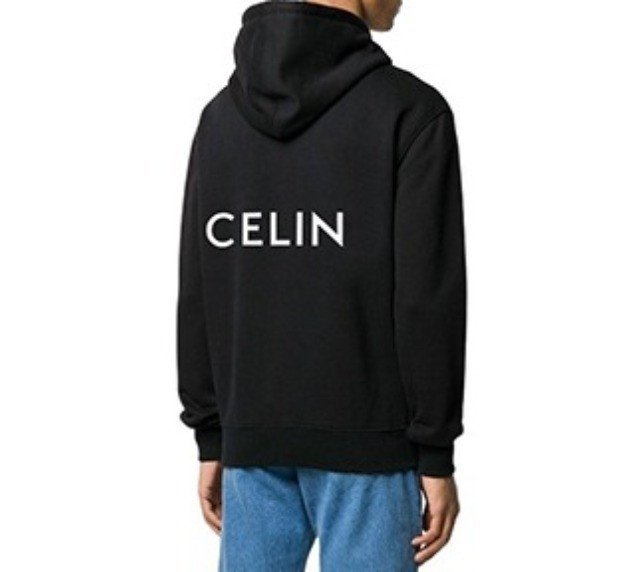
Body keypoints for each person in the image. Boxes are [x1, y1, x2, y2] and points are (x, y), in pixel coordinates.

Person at [176, 0, 467, 569]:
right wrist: (435, 450)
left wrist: (212, 433)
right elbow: (427, 300)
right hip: (371, 447)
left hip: (251, 442)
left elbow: (199, 286)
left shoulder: (219, 119)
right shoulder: (409, 111)